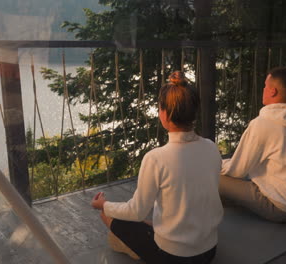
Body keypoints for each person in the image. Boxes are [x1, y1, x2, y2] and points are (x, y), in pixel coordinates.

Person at [91, 71, 223, 263]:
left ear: (164, 113)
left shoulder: (156, 158)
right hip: (209, 249)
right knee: (150, 221)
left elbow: (136, 211)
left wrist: (103, 205)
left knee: (108, 216)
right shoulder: (211, 147)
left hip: (174, 257)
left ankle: (133, 247)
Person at [219, 67, 286, 223]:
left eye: (265, 86)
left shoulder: (262, 124)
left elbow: (237, 170)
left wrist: (214, 162)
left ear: (272, 91)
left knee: (212, 176)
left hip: (285, 208)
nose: (263, 89)